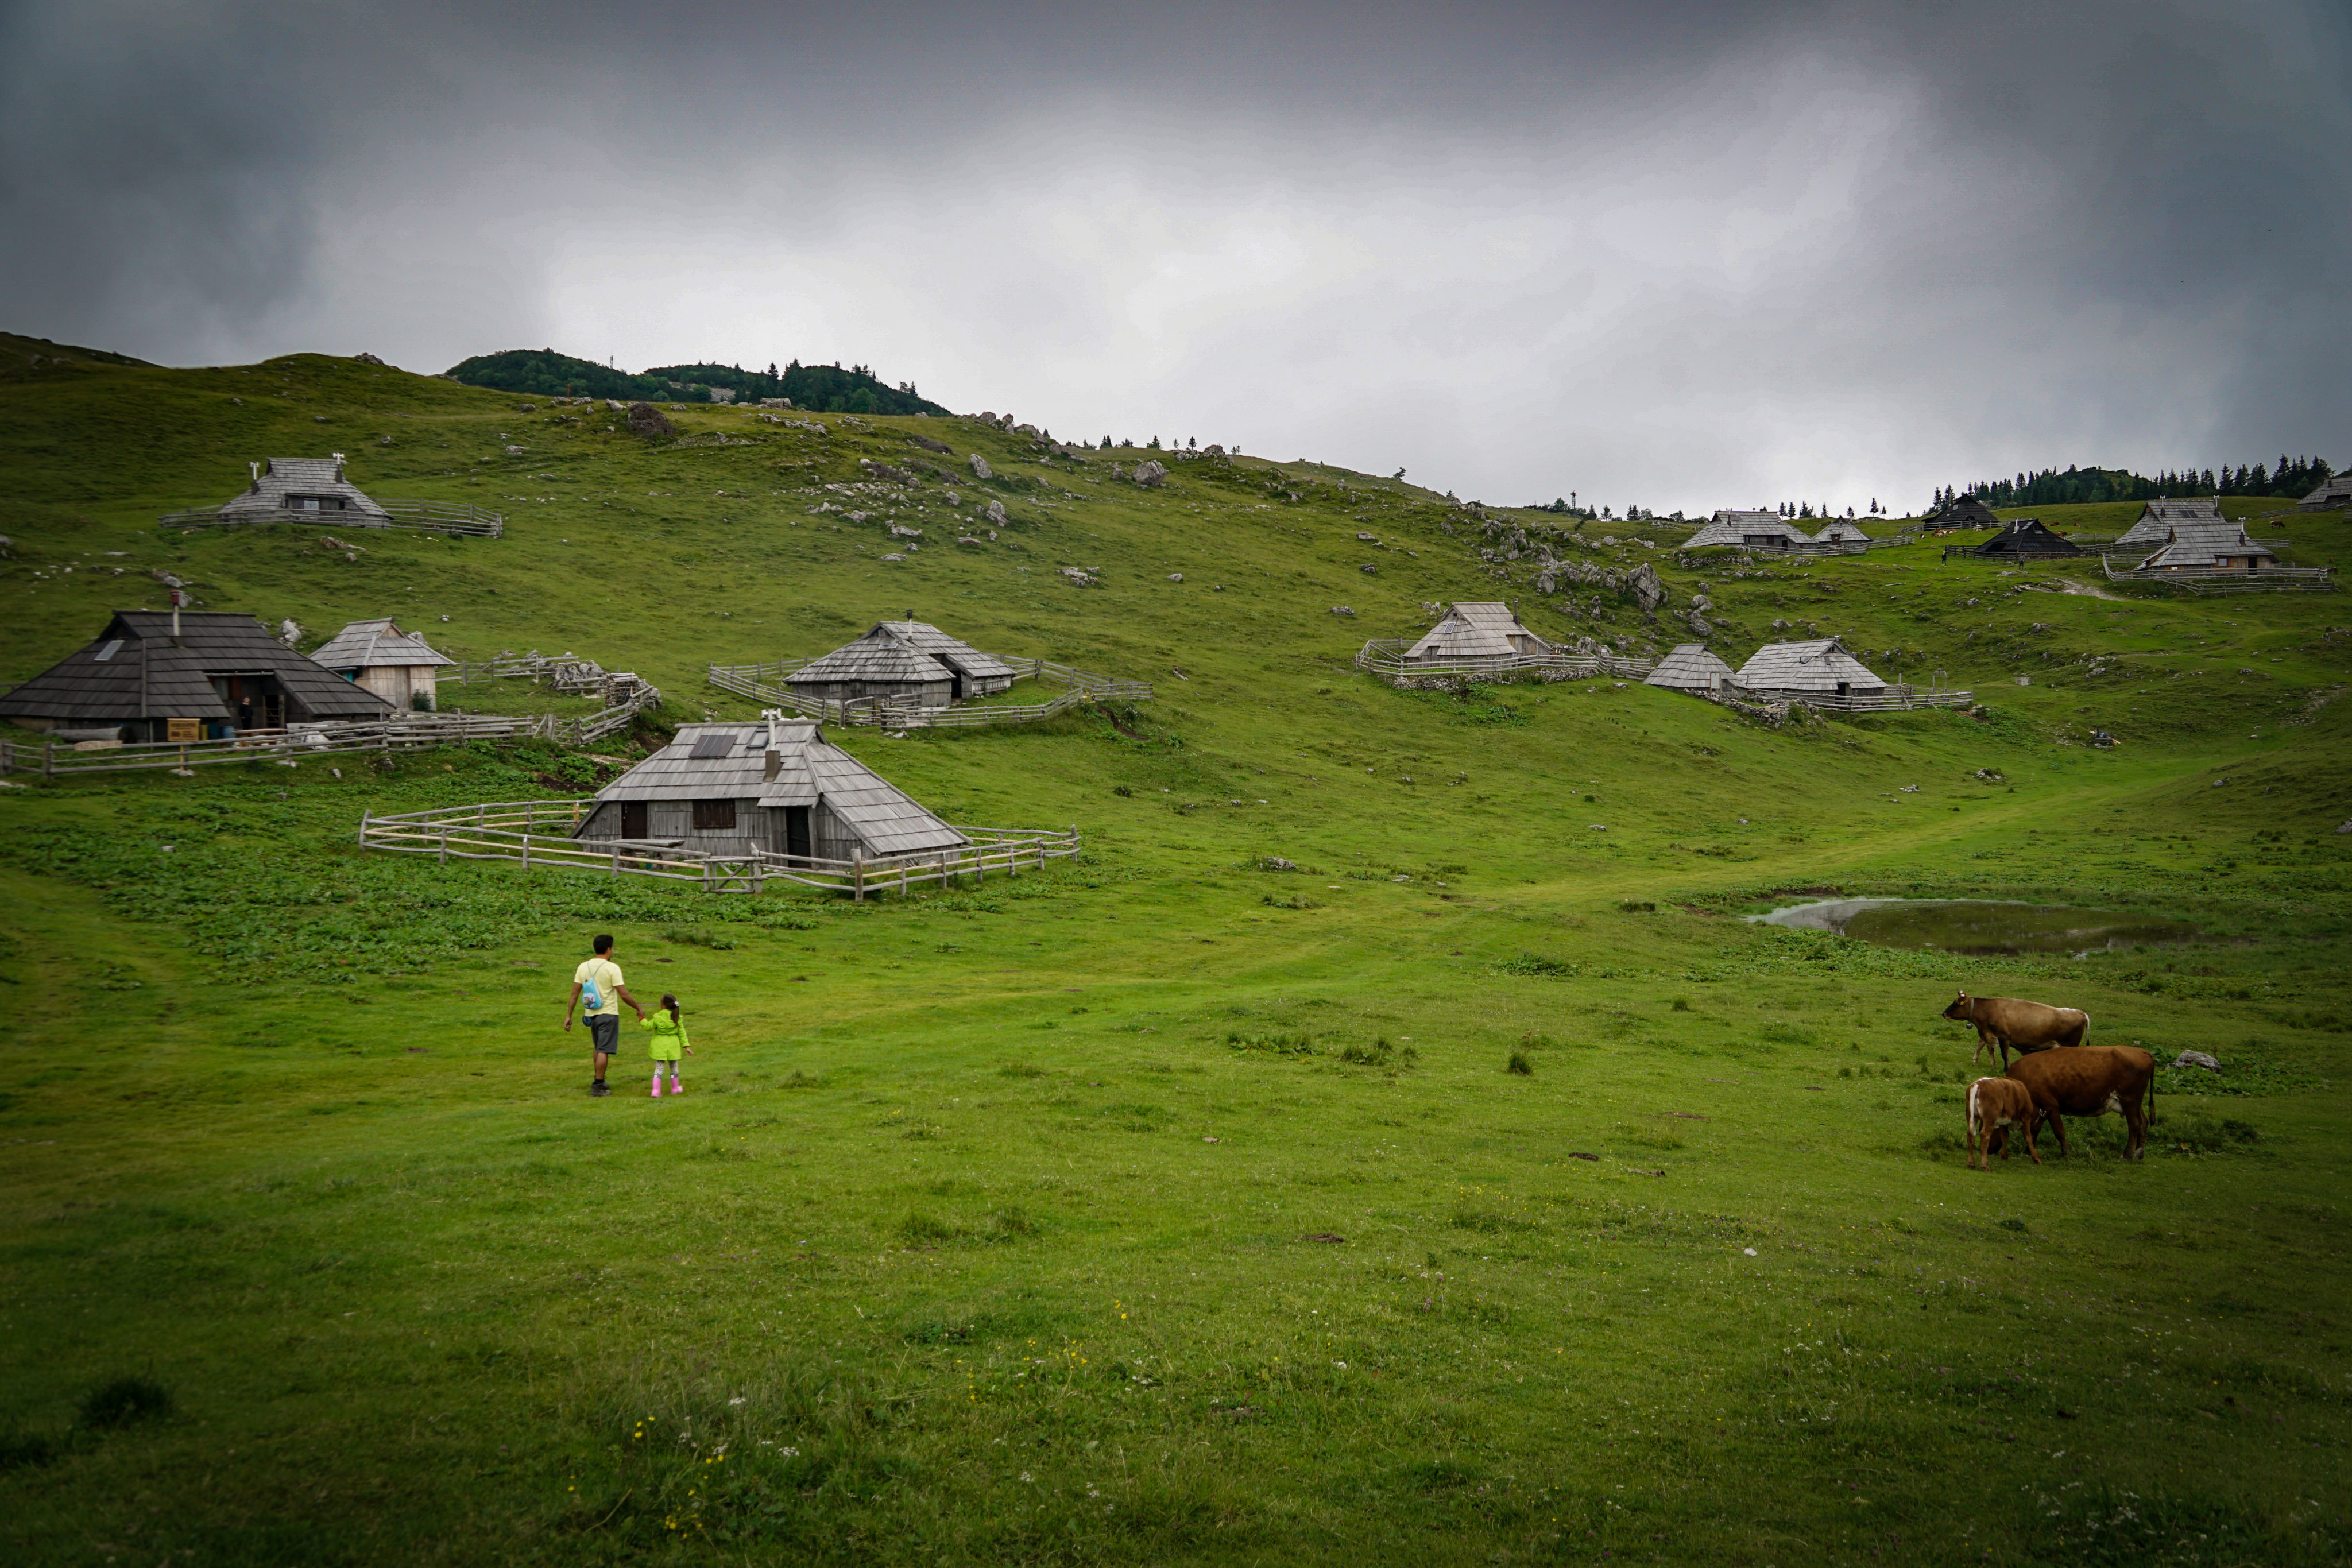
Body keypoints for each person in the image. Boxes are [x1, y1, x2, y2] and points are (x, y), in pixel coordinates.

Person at [563, 934, 644, 1097]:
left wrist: (569, 1016)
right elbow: (623, 994)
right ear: (609, 949)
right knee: (604, 1049)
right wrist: (638, 1008)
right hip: (608, 1013)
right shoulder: (612, 968)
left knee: (598, 1047)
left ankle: (599, 1078)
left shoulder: (583, 967)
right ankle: (598, 1085)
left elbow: (574, 993)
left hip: (591, 1014)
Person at [643, 993, 693, 1097]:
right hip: (673, 1046)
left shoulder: (658, 1017)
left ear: (663, 1005)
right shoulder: (677, 1018)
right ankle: (675, 1089)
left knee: (659, 1068)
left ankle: (655, 1091)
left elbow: (648, 1027)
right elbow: (682, 1033)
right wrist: (686, 1046)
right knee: (674, 1068)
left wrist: (641, 1019)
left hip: (659, 1046)